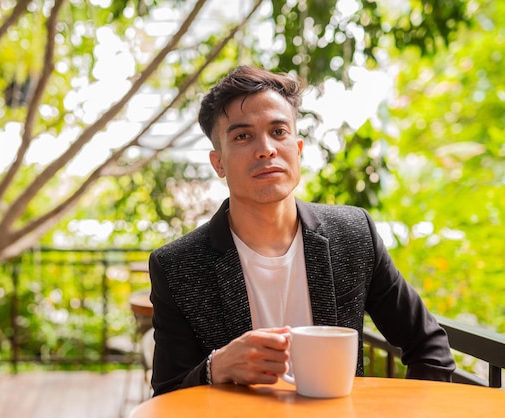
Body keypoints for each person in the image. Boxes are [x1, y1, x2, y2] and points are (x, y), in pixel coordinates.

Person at [148, 65, 455, 396]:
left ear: (298, 148)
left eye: (278, 131)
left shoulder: (353, 235)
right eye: (242, 136)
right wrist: (215, 368)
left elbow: (429, 346)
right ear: (218, 162)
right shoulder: (178, 266)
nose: (266, 149)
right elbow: (167, 395)